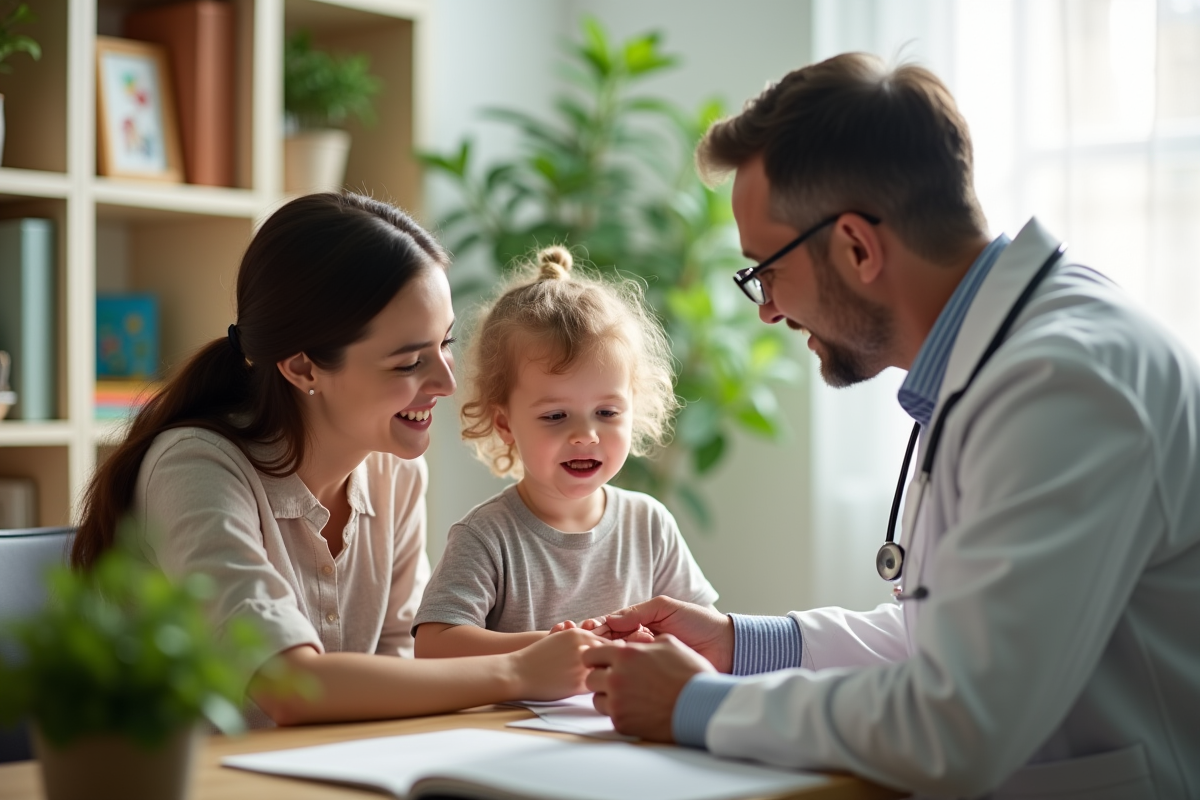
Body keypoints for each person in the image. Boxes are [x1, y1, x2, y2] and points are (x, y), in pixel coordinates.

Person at [581, 53, 1200, 798]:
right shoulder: (999, 362)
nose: (768, 309)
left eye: (765, 270)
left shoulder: (1066, 382)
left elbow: (960, 721)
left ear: (857, 247)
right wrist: (739, 644)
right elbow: (945, 638)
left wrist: (696, 705)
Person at [72, 193, 599, 727]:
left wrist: (586, 645)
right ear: (303, 368)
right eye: (409, 362)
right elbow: (288, 686)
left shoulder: (395, 471)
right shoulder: (195, 469)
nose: (446, 381)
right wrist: (518, 671)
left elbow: (401, 661)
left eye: (445, 343)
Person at [412, 246, 717, 658]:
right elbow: (434, 646)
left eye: (606, 412)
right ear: (505, 424)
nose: (585, 436)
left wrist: (656, 646)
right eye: (556, 416)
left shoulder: (650, 526)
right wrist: (551, 650)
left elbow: (706, 638)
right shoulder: (486, 537)